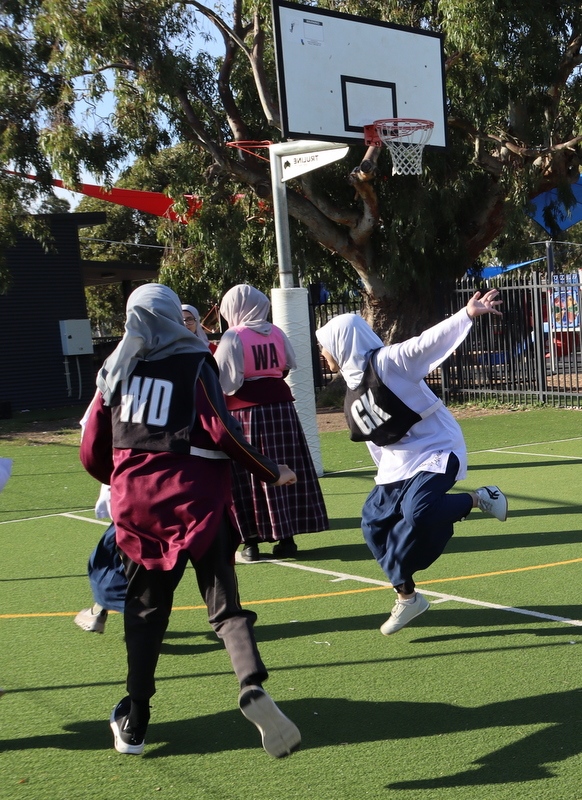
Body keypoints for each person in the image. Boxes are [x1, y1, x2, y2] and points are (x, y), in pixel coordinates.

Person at [79, 283, 301, 757]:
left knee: (144, 614)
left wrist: (126, 479)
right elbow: (223, 431)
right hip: (197, 501)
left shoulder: (114, 368)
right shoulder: (195, 361)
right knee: (225, 607)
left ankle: (136, 721)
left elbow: (91, 450)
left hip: (138, 507)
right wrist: (270, 470)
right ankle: (251, 684)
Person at [316, 290, 508, 635]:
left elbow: (425, 344)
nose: (322, 351)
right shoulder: (352, 390)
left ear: (340, 343)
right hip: (397, 462)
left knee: (418, 511)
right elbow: (377, 439)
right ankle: (408, 597)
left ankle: (479, 498)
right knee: (372, 524)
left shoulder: (388, 362)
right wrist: (385, 479)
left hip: (437, 447)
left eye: (323, 345)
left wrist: (466, 314)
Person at [75, 306, 211, 634]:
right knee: (147, 553)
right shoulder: (195, 362)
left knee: (131, 551)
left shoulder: (126, 363)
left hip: (142, 483)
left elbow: (92, 436)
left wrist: (115, 476)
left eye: (190, 319)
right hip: (180, 483)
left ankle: (131, 618)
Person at [214, 284, 329, 561]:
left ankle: (251, 542)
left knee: (248, 470)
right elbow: (287, 366)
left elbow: (225, 380)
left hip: (246, 412)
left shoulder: (233, 335)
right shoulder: (276, 331)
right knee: (285, 465)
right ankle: (287, 538)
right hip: (281, 409)